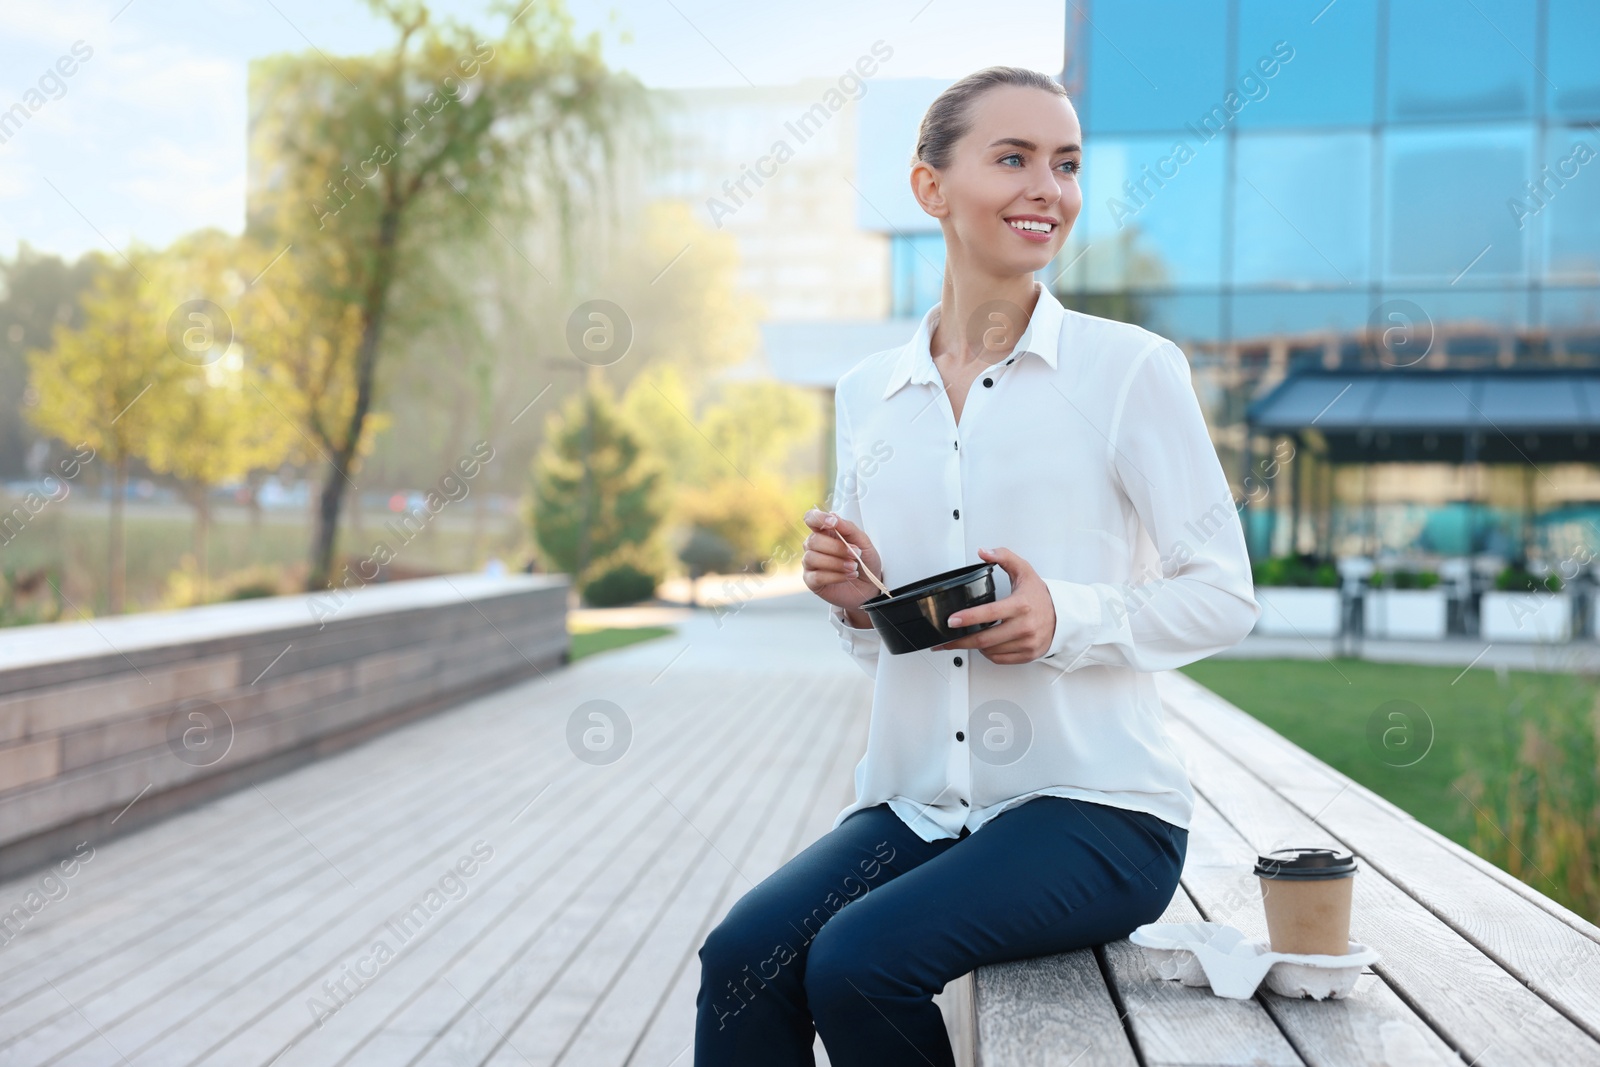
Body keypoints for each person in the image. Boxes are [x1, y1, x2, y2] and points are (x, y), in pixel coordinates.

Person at [693, 66, 1259, 1067]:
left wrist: (1066, 616)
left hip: (1097, 811)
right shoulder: (870, 390)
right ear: (930, 189)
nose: (1049, 187)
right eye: (1013, 158)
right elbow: (898, 647)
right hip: (916, 806)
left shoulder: (1130, 370)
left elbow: (1223, 593)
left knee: (856, 961)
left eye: (1066, 164)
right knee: (740, 955)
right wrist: (860, 606)